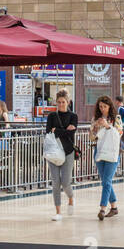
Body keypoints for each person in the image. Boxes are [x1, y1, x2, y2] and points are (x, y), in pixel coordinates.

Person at [45, 89, 78, 220]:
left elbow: (71, 134)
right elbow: (49, 132)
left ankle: (70, 197)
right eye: (58, 102)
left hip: (68, 151)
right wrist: (63, 130)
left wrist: (57, 130)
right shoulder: (52, 116)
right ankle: (58, 212)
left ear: (68, 102)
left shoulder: (73, 116)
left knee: (65, 182)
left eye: (63, 102)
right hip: (53, 151)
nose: (60, 104)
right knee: (55, 182)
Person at [91, 95, 124, 220]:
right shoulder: (96, 119)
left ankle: (102, 208)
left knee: (106, 182)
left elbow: (119, 134)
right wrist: (95, 129)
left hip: (112, 153)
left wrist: (107, 126)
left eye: (105, 106)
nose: (102, 109)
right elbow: (92, 137)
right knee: (106, 181)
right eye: (100, 107)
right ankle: (114, 207)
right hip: (99, 152)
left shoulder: (116, 118)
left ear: (110, 106)